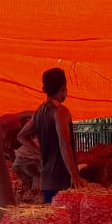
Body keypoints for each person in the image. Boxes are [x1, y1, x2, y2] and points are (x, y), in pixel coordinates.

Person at [35, 67, 81, 204]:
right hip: (61, 181)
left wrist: (40, 152)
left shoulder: (39, 112)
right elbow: (64, 143)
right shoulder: (60, 111)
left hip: (46, 181)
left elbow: (22, 136)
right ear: (63, 88)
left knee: (53, 222)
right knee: (66, 222)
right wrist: (74, 174)